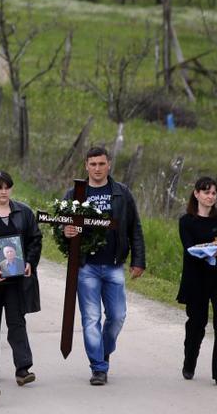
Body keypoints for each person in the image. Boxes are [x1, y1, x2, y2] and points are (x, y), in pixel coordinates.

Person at [62, 147, 146, 386]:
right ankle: (98, 368)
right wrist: (66, 231)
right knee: (91, 318)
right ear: (86, 166)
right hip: (86, 266)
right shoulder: (75, 193)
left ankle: (103, 351)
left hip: (114, 265)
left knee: (117, 316)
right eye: (93, 164)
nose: (97, 168)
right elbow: (64, 225)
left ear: (109, 164)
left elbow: (134, 228)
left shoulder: (121, 193)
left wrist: (138, 260)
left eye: (101, 164)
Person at [0, 170, 41, 386]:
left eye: (7, 187)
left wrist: (30, 261)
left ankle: (23, 369)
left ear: (11, 188)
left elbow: (35, 239)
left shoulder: (24, 212)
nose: (3, 191)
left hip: (17, 280)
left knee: (16, 322)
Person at [178, 176, 217, 387]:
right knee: (196, 325)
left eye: (214, 193)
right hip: (197, 279)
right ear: (196, 194)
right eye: (206, 192)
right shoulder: (186, 221)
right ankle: (189, 362)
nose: (211, 196)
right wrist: (212, 249)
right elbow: (190, 249)